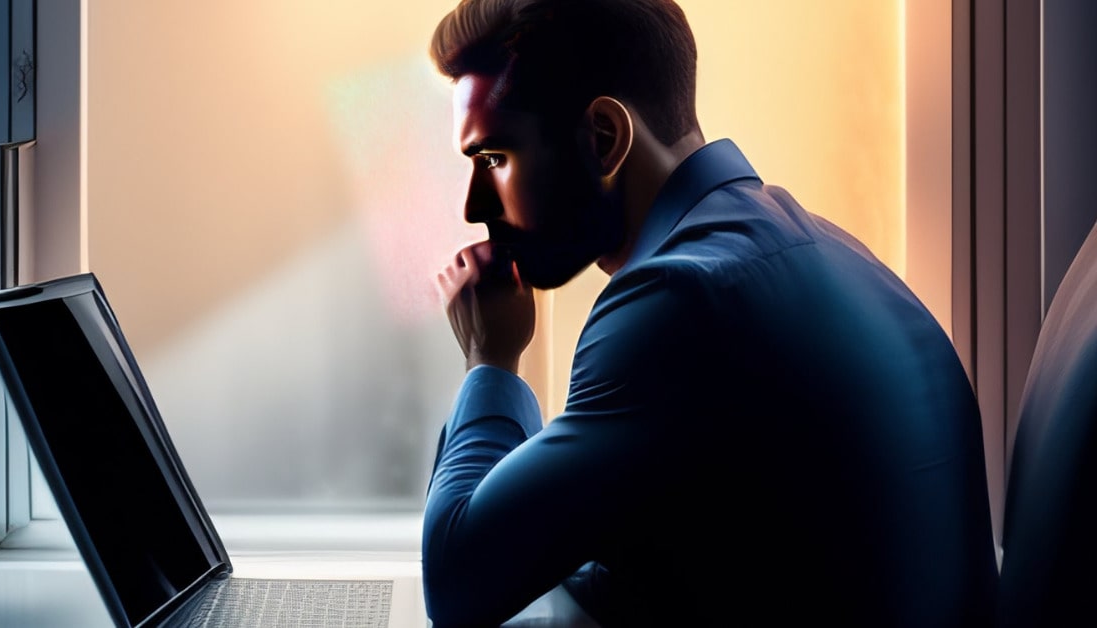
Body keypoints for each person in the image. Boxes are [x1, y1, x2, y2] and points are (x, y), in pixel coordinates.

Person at [422, 0, 999, 625]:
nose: (474, 206)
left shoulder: (676, 302)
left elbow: (457, 585)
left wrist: (491, 358)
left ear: (604, 138)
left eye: (493, 159)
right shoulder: (833, 250)